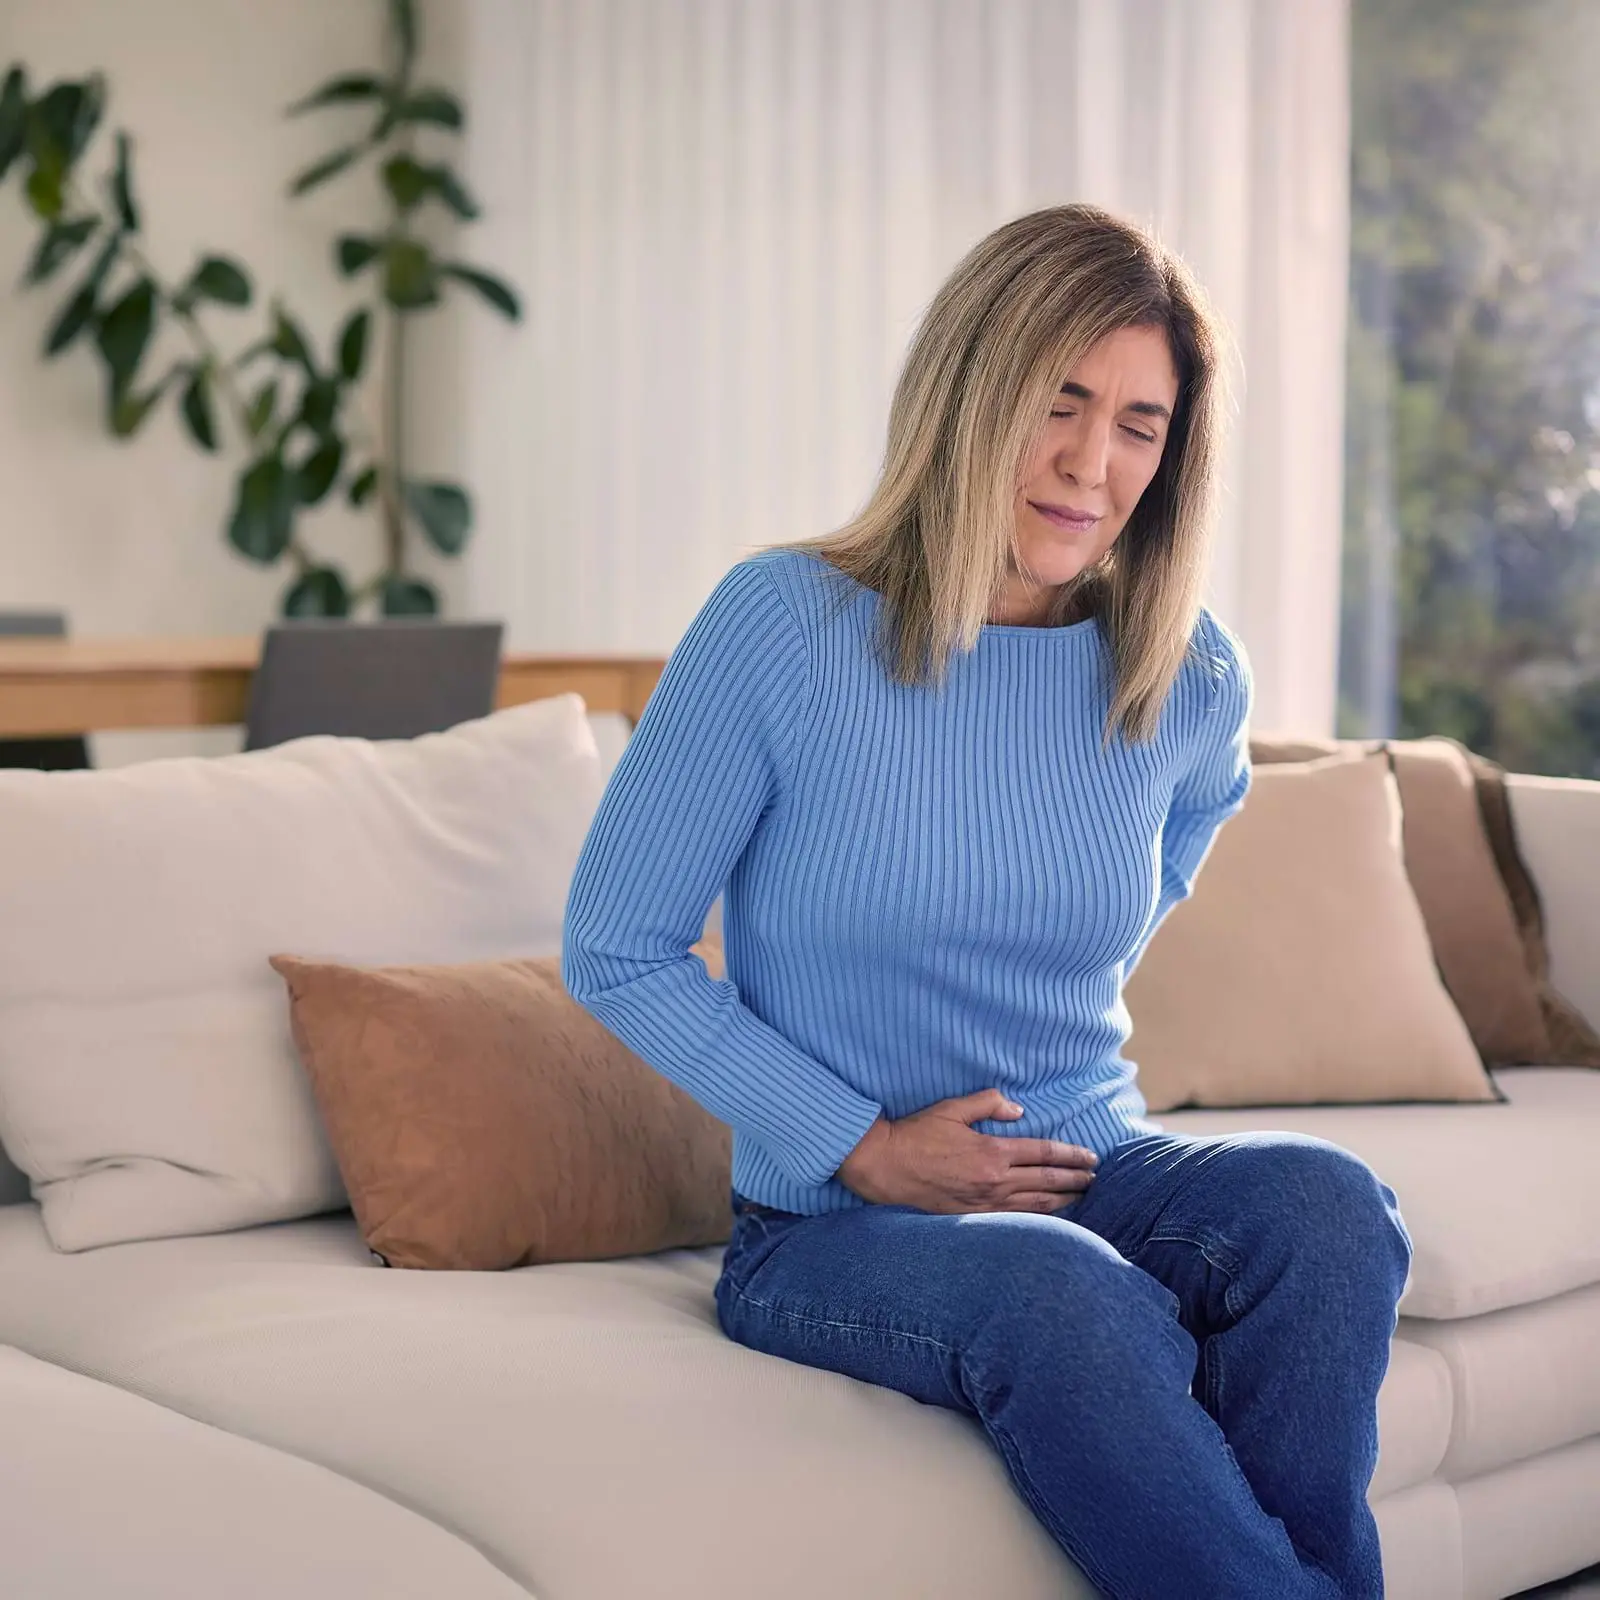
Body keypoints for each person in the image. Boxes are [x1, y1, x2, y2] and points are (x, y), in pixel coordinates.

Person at [562, 203, 1411, 1600]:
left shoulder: (1185, 671)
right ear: (969, 391)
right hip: (831, 1230)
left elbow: (1180, 842)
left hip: (1095, 1168)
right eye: (1057, 402)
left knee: (1331, 1211)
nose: (1092, 462)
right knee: (1062, 1291)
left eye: (1140, 424)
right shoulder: (783, 625)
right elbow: (616, 947)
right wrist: (863, 1146)